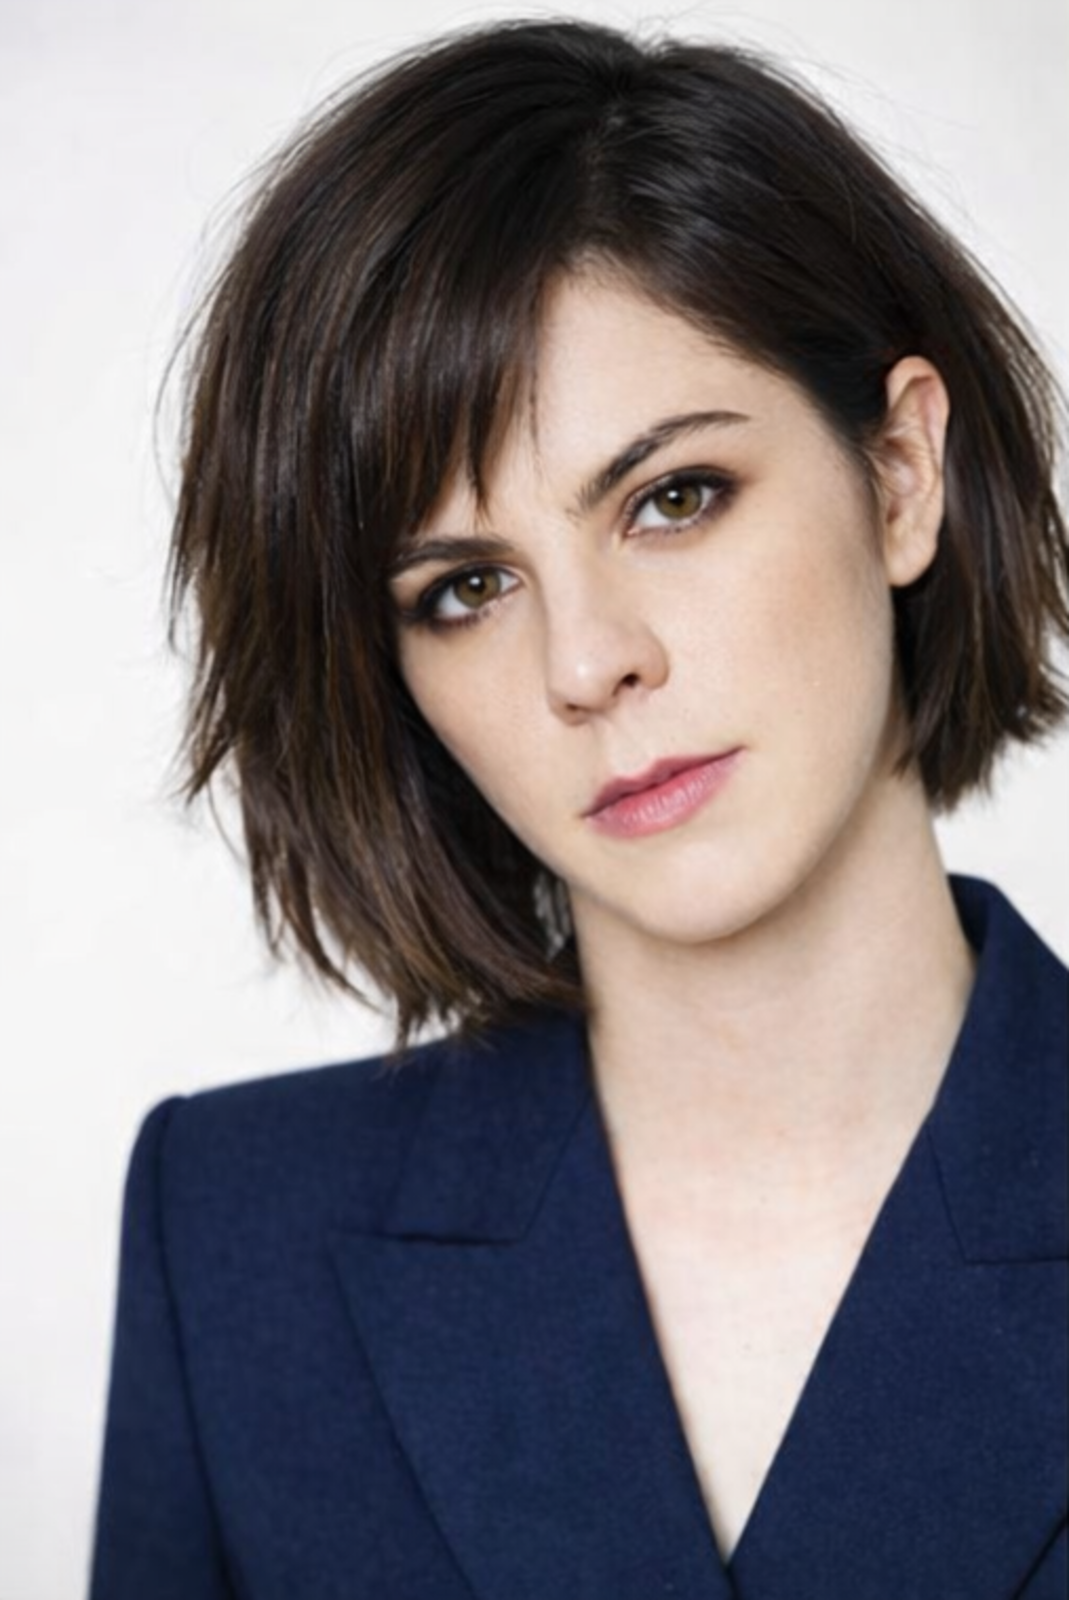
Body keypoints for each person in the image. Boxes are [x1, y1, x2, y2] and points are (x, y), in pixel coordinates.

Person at [89, 17, 1068, 1598]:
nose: (588, 661)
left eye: (674, 498)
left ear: (900, 474)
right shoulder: (238, 1241)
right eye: (466, 587)